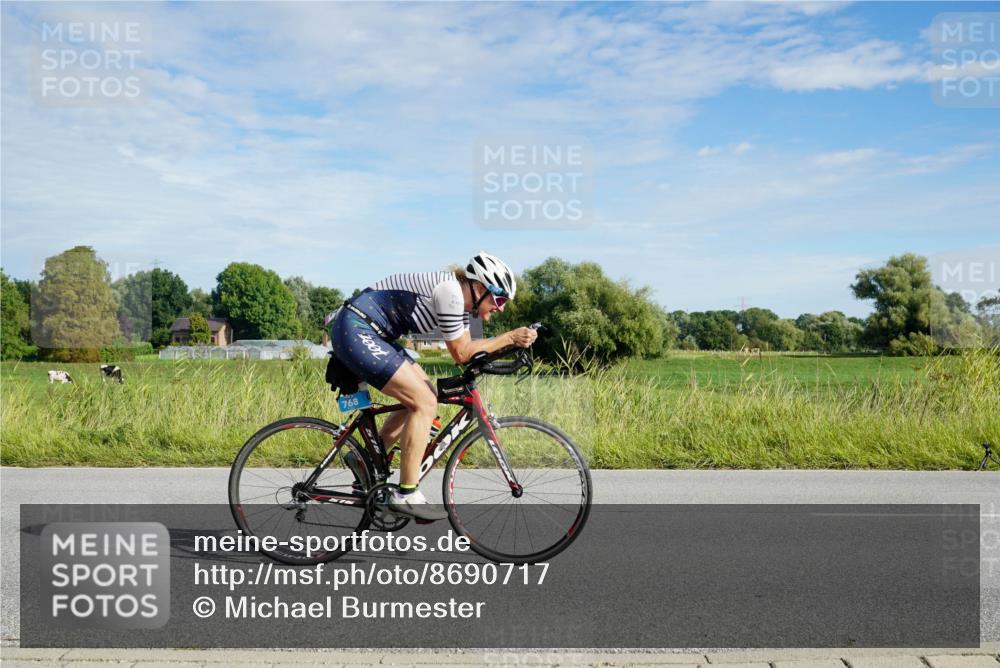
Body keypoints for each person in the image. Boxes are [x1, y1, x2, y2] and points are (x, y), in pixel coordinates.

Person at [325, 252, 537, 521]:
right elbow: (461, 353)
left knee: (426, 393)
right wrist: (509, 338)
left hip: (371, 331)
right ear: (481, 288)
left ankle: (363, 459)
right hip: (356, 328)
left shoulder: (460, 308)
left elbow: (470, 352)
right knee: (424, 402)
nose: (502, 308)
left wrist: (505, 348)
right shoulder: (451, 293)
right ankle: (406, 494)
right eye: (500, 299)